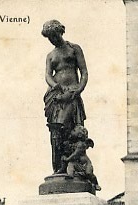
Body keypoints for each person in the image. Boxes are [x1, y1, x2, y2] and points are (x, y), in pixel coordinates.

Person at [42, 20, 88, 173]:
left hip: (72, 93)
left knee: (72, 130)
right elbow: (48, 75)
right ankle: (58, 168)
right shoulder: (50, 56)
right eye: (49, 38)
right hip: (56, 95)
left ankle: (73, 167)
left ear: (60, 32)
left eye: (54, 36)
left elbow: (84, 72)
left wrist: (78, 89)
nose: (52, 40)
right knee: (55, 130)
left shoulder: (74, 49)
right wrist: (55, 86)